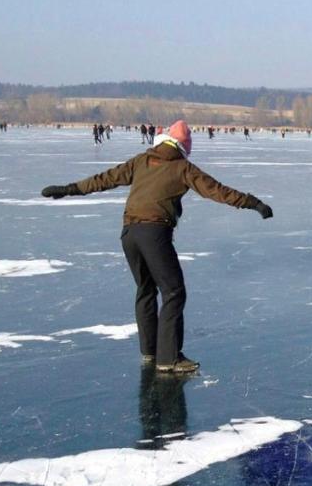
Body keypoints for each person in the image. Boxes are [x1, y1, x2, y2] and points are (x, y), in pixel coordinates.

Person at [40, 120, 274, 374]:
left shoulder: (142, 160)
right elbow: (217, 191)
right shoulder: (182, 167)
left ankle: (150, 352)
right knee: (173, 291)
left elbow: (105, 179)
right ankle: (169, 358)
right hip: (154, 233)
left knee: (146, 289)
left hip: (129, 234)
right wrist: (255, 203)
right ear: (184, 147)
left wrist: (68, 189)